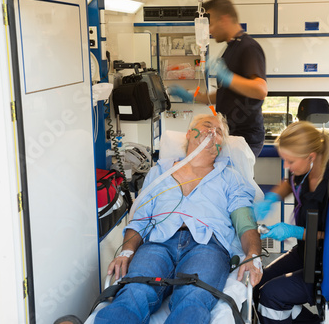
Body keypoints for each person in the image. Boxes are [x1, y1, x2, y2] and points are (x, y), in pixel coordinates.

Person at [95, 113, 263, 324]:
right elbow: (140, 219)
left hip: (208, 247)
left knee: (193, 298)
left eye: (219, 131)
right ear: (188, 134)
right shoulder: (159, 173)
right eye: (206, 126)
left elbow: (245, 222)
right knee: (134, 292)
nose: (212, 132)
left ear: (221, 143)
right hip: (157, 244)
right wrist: (127, 251)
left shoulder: (230, 178)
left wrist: (253, 254)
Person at [252, 121, 329, 324]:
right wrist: (271, 198)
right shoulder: (305, 170)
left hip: (326, 262)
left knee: (270, 295)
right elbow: (289, 183)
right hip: (303, 252)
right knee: (256, 283)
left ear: (311, 157)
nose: (286, 166)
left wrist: (295, 231)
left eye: (290, 161)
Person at [168, 0, 268, 157]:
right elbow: (226, 94)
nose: (209, 31)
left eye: (211, 24)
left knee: (235, 180)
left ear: (224, 19)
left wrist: (227, 77)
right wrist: (193, 96)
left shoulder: (248, 47)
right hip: (229, 132)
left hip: (245, 136)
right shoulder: (231, 48)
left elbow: (260, 90)